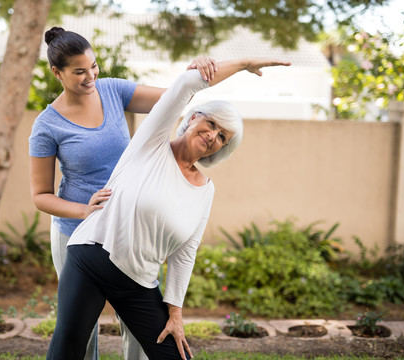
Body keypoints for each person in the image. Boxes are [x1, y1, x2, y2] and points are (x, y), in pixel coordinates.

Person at [45, 57, 291, 360]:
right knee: (68, 350)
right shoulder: (153, 141)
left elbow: (186, 252)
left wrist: (175, 313)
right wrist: (243, 64)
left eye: (223, 137)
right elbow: (185, 86)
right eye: (211, 123)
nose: (213, 135)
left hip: (138, 281)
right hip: (92, 258)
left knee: (174, 356)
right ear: (192, 118)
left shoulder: (205, 189)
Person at [29, 27, 217, 360]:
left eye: (94, 66)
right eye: (79, 71)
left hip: (132, 230)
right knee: (80, 337)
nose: (91, 76)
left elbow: (177, 98)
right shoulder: (47, 125)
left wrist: (195, 70)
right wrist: (83, 210)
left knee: (141, 334)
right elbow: (41, 194)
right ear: (57, 73)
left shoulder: (112, 90)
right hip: (75, 234)